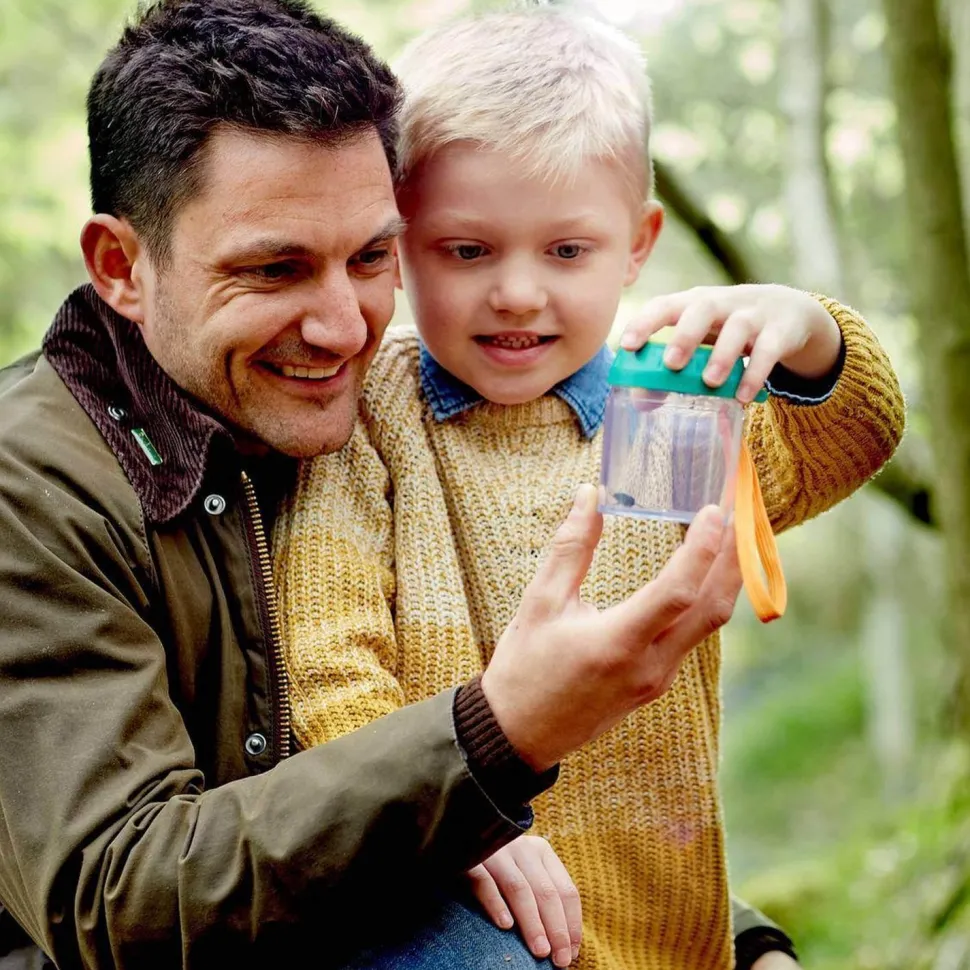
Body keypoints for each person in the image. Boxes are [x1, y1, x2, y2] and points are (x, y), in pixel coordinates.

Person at [0, 1, 755, 968]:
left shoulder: (347, 417)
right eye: (274, 269)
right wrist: (491, 743)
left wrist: (740, 937)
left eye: (369, 258)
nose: (345, 328)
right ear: (122, 266)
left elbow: (565, 818)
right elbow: (117, 900)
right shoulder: (33, 493)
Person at [273, 6, 906, 970]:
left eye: (566, 251)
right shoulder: (370, 421)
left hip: (670, 926)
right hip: (463, 903)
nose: (518, 293)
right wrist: (453, 814)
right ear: (400, 243)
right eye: (467, 250)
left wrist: (808, 330)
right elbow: (328, 663)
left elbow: (848, 439)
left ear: (637, 244)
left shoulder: (667, 414)